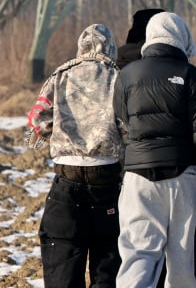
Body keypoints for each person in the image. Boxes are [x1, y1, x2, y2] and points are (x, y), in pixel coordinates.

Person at [114, 12, 196, 287]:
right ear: (182, 38)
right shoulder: (192, 76)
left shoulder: (126, 75)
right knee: (181, 255)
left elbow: (123, 119)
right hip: (183, 174)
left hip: (138, 174)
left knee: (138, 252)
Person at [25, 24, 123, 288]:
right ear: (110, 47)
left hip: (66, 177)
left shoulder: (60, 75)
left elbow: (37, 119)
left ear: (81, 47)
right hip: (106, 177)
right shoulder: (117, 76)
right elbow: (127, 125)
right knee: (108, 261)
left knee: (63, 263)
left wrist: (56, 132)